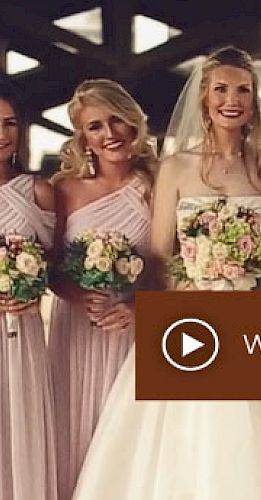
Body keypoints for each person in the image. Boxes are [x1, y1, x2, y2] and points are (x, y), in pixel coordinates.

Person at [72, 46, 261, 500]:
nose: (232, 99)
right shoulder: (176, 168)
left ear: (253, 99)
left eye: (243, 89)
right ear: (204, 97)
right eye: (221, 88)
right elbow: (161, 259)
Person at [49, 79, 156, 500]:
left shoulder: (158, 185)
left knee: (131, 440)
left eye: (117, 120)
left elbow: (171, 266)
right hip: (78, 330)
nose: (109, 134)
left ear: (134, 124)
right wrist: (78, 295)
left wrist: (137, 305)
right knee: (76, 429)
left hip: (136, 331)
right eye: (95, 126)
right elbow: (50, 268)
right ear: (83, 138)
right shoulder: (64, 190)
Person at [0, 80, 57, 499]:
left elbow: (59, 264)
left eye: (10, 123)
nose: (3, 135)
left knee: (21, 425)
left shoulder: (37, 191)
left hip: (22, 331)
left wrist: (35, 286)